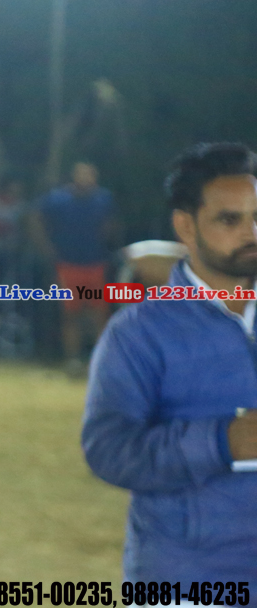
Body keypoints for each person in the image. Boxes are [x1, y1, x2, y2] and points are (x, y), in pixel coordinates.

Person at [82, 142, 257, 580]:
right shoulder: (138, 333)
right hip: (185, 577)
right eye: (230, 220)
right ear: (186, 226)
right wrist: (222, 441)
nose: (251, 233)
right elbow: (109, 450)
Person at [39, 161, 117, 373]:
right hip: (67, 264)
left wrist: (105, 243)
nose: (86, 179)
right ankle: (72, 359)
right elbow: (37, 218)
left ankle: (100, 359)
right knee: (70, 313)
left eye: (90, 175)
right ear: (74, 177)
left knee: (98, 313)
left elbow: (109, 224)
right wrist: (46, 247)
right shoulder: (57, 199)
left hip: (95, 263)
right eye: (82, 175)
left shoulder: (103, 199)